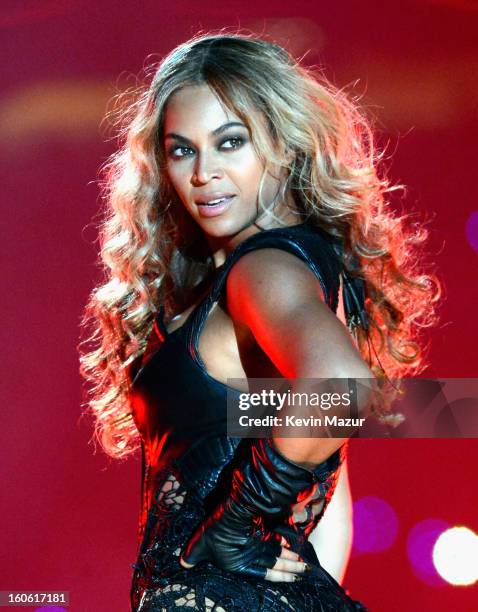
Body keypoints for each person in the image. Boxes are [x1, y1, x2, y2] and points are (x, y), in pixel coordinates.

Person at [78, 32, 440, 611]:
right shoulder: (288, 270)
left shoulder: (264, 269)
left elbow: (340, 390)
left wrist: (235, 526)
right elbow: (330, 491)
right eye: (181, 150)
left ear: (286, 144)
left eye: (231, 142)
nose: (203, 173)